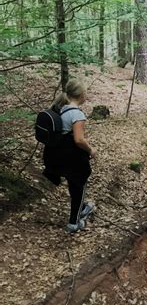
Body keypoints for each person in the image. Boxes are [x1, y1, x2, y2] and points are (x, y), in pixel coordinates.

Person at [43, 79, 96, 233]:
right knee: (79, 185)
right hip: (73, 158)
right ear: (81, 95)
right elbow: (79, 140)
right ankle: (74, 222)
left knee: (75, 185)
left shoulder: (61, 108)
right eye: (85, 92)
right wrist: (91, 150)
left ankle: (82, 207)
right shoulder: (76, 114)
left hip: (60, 156)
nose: (86, 95)